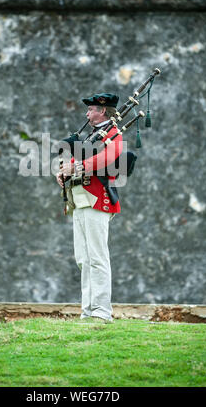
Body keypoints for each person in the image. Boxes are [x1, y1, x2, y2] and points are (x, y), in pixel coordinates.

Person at [56, 93, 123, 323]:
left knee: (97, 258)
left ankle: (102, 312)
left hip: (96, 200)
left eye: (91, 109)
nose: (87, 114)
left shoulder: (114, 134)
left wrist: (76, 168)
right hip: (81, 200)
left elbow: (107, 158)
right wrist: (65, 171)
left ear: (102, 111)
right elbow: (86, 159)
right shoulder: (94, 136)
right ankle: (88, 311)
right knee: (83, 259)